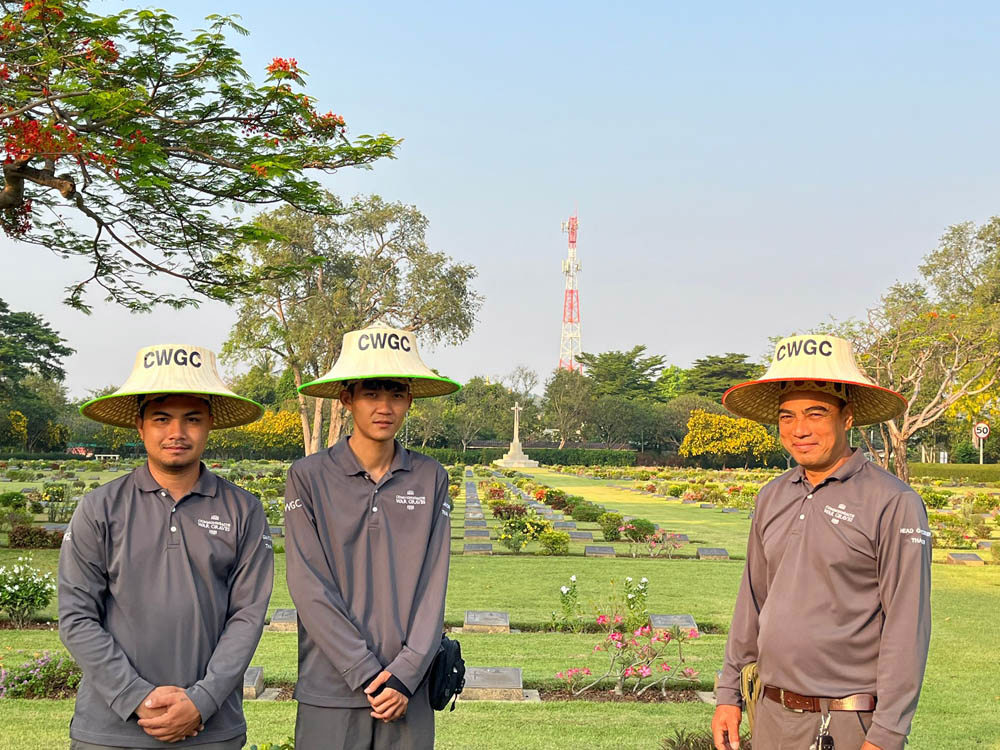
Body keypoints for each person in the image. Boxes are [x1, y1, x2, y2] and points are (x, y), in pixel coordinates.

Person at [711, 334, 931, 750]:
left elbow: (908, 625)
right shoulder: (773, 495)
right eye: (787, 416)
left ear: (847, 417)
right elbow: (752, 602)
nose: (800, 430)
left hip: (849, 723)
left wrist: (886, 735)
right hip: (772, 715)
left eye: (816, 413)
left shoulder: (893, 502)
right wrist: (728, 695)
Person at [60, 345, 274, 749]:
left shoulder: (243, 509)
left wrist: (202, 700)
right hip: (111, 730)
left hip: (210, 728)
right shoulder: (100, 508)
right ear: (140, 426)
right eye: (162, 419)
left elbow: (246, 617)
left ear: (210, 424)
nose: (177, 433)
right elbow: (76, 617)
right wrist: (136, 697)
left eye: (192, 419)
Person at [284, 324, 460, 750]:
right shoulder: (308, 477)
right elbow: (308, 587)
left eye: (396, 394)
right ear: (347, 398)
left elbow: (433, 584)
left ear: (410, 400)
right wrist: (365, 670)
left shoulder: (430, 476)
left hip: (409, 688)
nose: (385, 407)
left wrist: (405, 673)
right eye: (371, 393)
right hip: (332, 687)